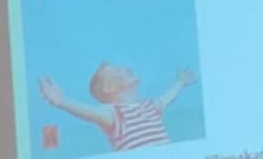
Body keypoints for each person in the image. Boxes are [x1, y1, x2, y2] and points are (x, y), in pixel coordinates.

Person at [38, 62, 197, 151]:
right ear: (109, 89)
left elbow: (167, 97)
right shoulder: (115, 114)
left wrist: (180, 82)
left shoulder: (150, 106)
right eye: (117, 70)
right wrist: (63, 102)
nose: (126, 68)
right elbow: (91, 113)